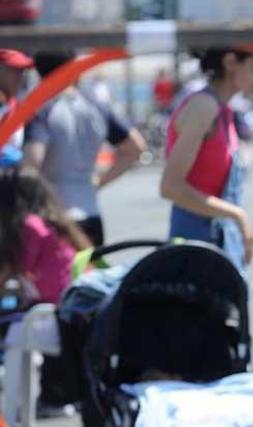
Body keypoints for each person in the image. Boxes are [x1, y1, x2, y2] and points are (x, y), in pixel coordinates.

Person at [22, 50, 146, 247]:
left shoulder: (41, 109)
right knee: (90, 276)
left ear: (38, 72)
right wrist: (98, 182)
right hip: (91, 211)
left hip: (55, 217)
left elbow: (31, 166)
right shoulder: (95, 106)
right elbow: (135, 147)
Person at [160, 47, 253, 271]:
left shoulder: (223, 109)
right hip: (196, 242)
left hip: (221, 242)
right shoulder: (204, 107)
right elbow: (171, 187)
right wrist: (237, 215)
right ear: (230, 62)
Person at [0, 167, 90, 306]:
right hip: (69, 290)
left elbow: (20, 265)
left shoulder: (31, 225)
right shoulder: (52, 221)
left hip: (57, 298)